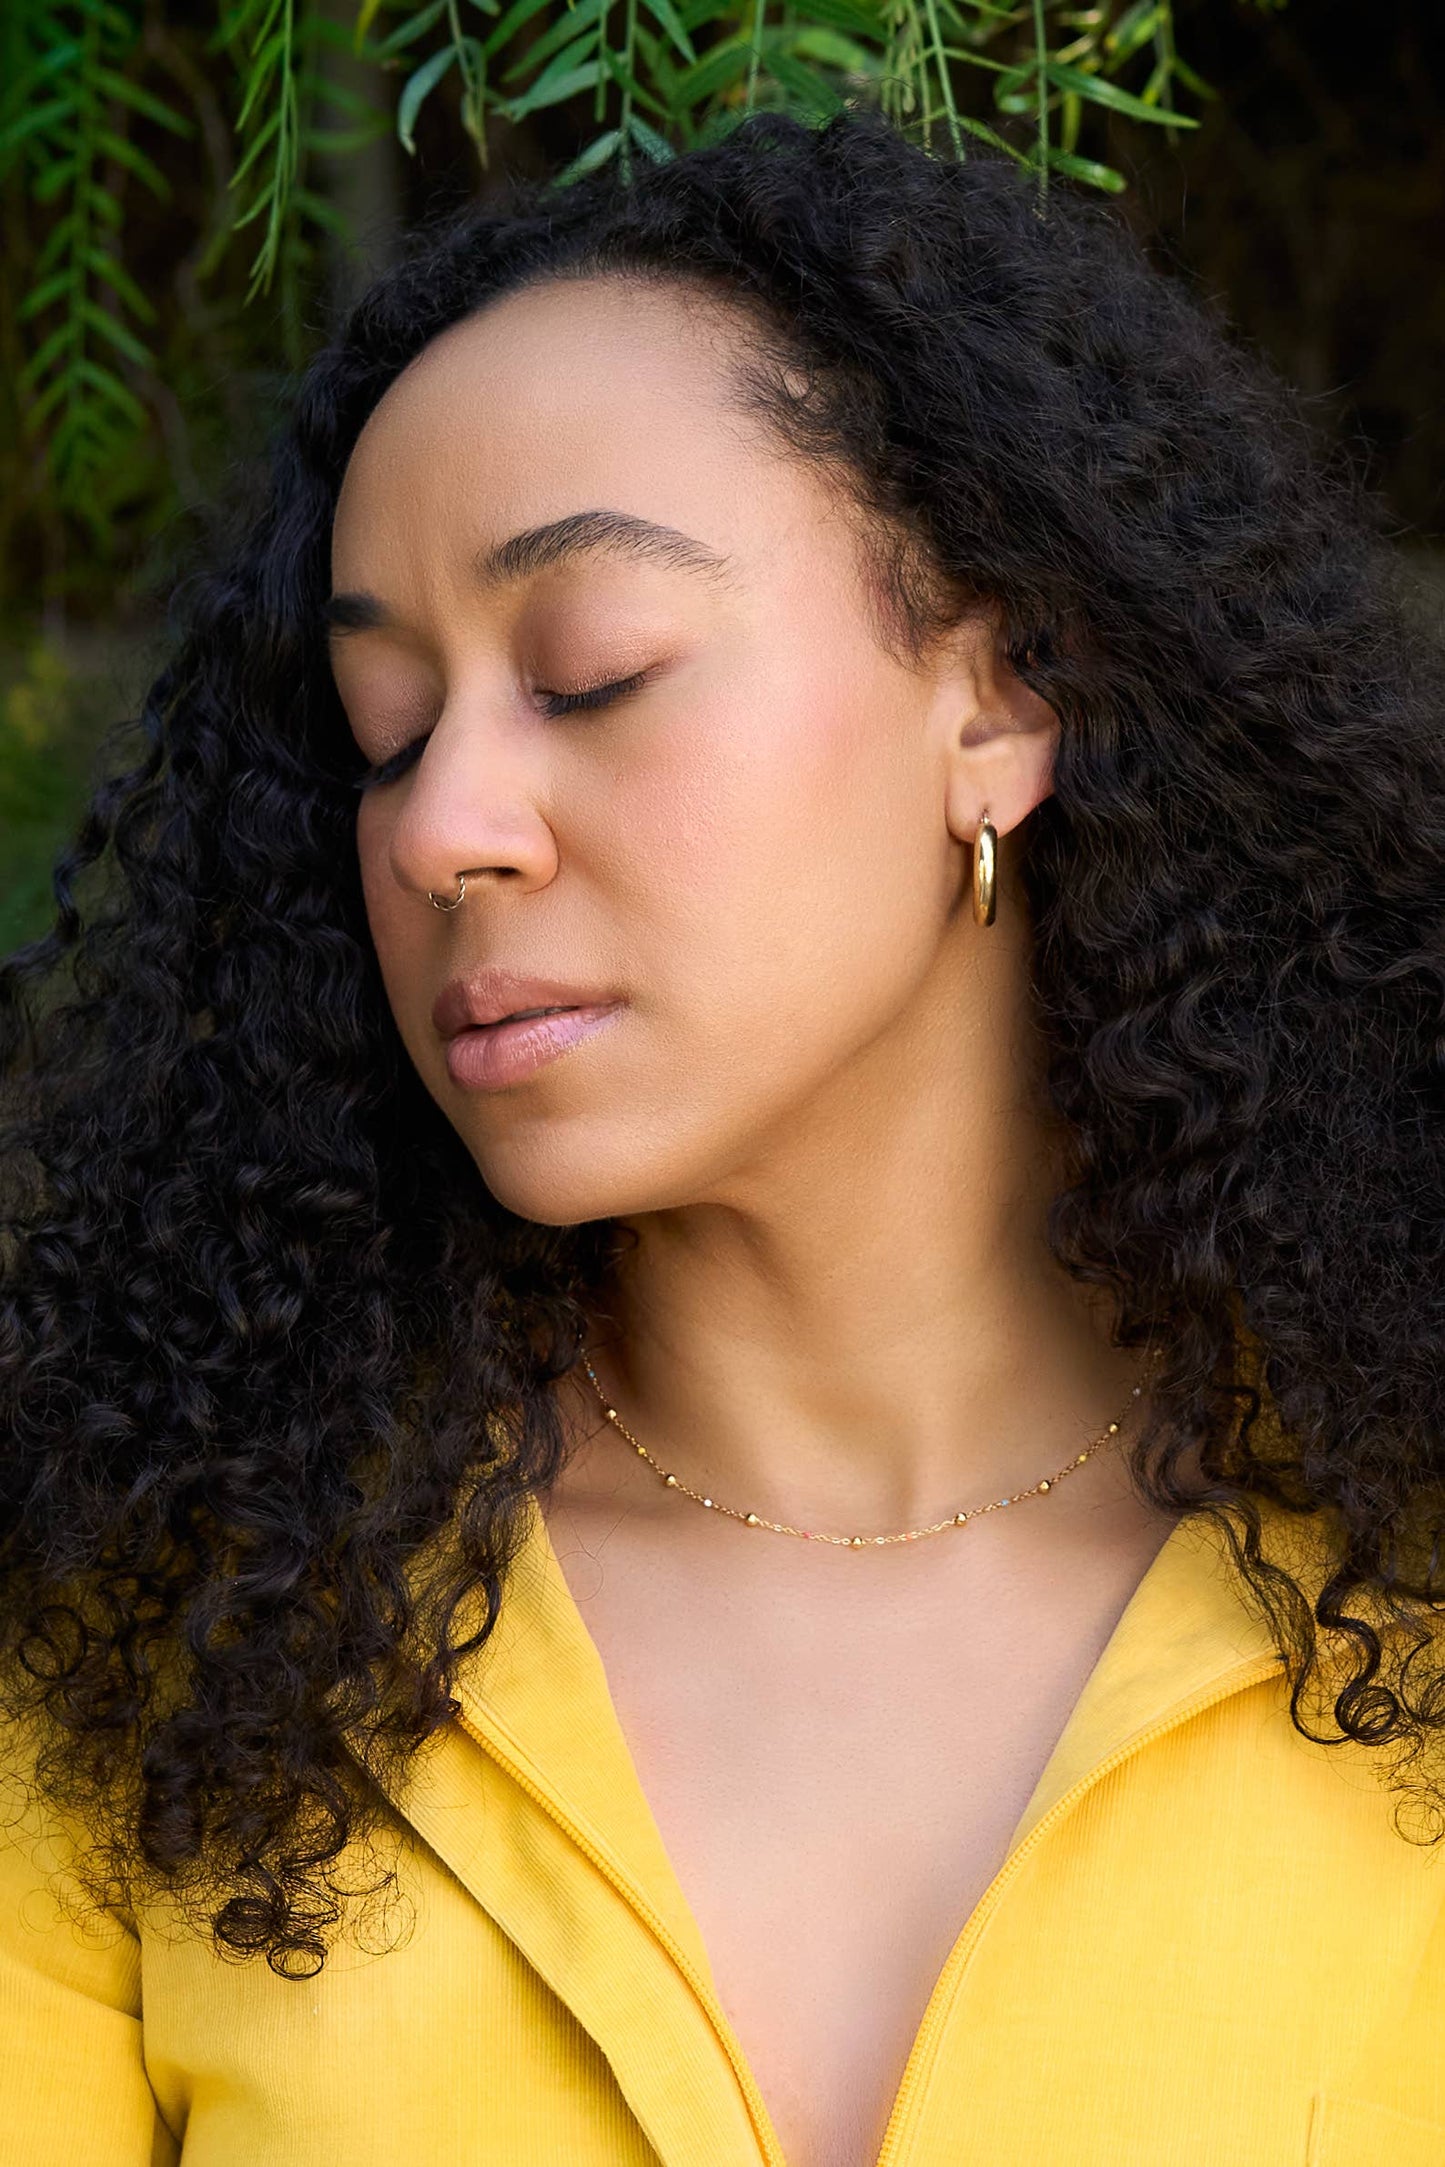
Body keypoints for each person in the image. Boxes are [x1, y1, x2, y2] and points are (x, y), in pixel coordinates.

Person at [2, 101, 1443, 2167]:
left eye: (593, 671)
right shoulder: (158, 1651)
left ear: (1004, 694)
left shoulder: (1407, 1565)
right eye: (385, 735)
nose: (442, 825)